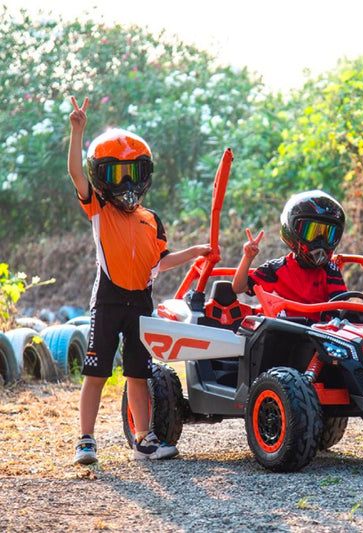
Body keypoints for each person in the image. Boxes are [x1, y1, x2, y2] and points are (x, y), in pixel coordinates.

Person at [68, 96, 211, 465]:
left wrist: (196, 252)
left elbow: (160, 262)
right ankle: (86, 441)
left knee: (137, 372)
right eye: (117, 174)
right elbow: (75, 174)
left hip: (141, 303)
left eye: (133, 172)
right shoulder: (98, 209)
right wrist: (77, 131)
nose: (127, 182)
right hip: (109, 300)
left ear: (145, 174)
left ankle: (144, 440)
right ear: (102, 177)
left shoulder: (151, 219)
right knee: (96, 371)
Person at [232, 190, 347, 321]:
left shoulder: (330, 270)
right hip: (285, 333)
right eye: (311, 233)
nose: (320, 242)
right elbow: (238, 287)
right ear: (291, 232)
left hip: (318, 335)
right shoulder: (276, 269)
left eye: (328, 235)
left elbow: (342, 305)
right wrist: (248, 257)